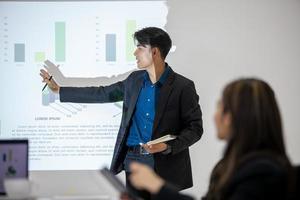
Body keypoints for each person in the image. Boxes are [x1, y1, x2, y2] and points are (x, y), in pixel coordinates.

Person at [40, 27, 203, 199]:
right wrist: (60, 90)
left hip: (165, 163)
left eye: (140, 47)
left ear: (154, 52)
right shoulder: (134, 80)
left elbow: (195, 129)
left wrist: (168, 146)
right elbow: (103, 93)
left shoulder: (183, 87)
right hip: (133, 159)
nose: (135, 53)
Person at [128, 78, 295, 200]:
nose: (214, 116)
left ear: (230, 117)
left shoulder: (262, 173)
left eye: (219, 107)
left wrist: (157, 186)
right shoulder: (229, 167)